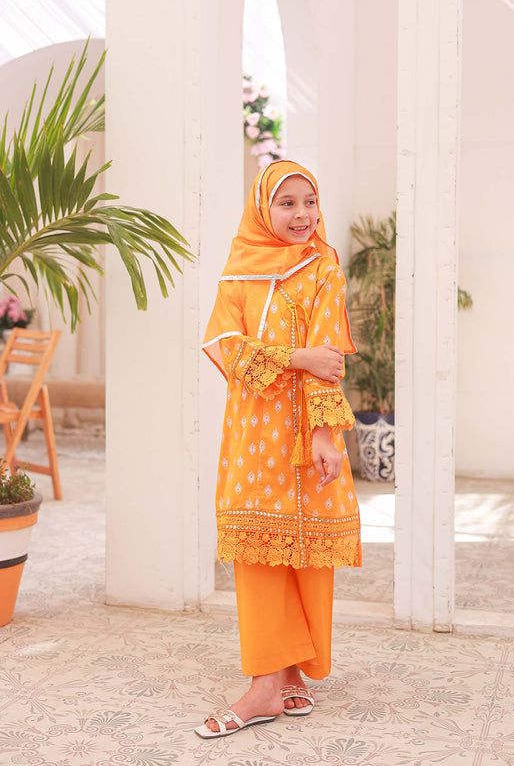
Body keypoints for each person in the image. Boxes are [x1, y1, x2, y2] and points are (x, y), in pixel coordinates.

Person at [196, 160, 361, 738]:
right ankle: (268, 683)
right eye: (287, 203)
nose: (301, 215)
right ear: (263, 209)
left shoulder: (323, 267)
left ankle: (288, 674)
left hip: (306, 433)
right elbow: (225, 346)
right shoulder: (238, 270)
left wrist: (323, 434)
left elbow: (331, 357)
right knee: (257, 549)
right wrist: (296, 358)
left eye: (309, 201)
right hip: (253, 435)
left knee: (302, 551)